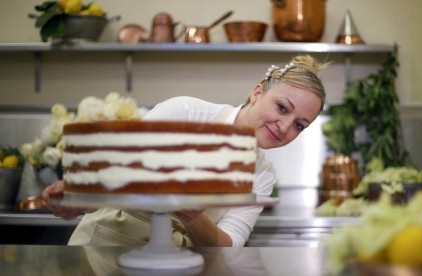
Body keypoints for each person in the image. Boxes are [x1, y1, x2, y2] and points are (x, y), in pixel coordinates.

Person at [42, 54, 327, 247]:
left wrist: (193, 218)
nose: (285, 126)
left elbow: (229, 243)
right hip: (106, 244)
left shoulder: (262, 173)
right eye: (282, 108)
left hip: (176, 262)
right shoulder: (186, 112)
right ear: (257, 92)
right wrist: (78, 195)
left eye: (299, 125)